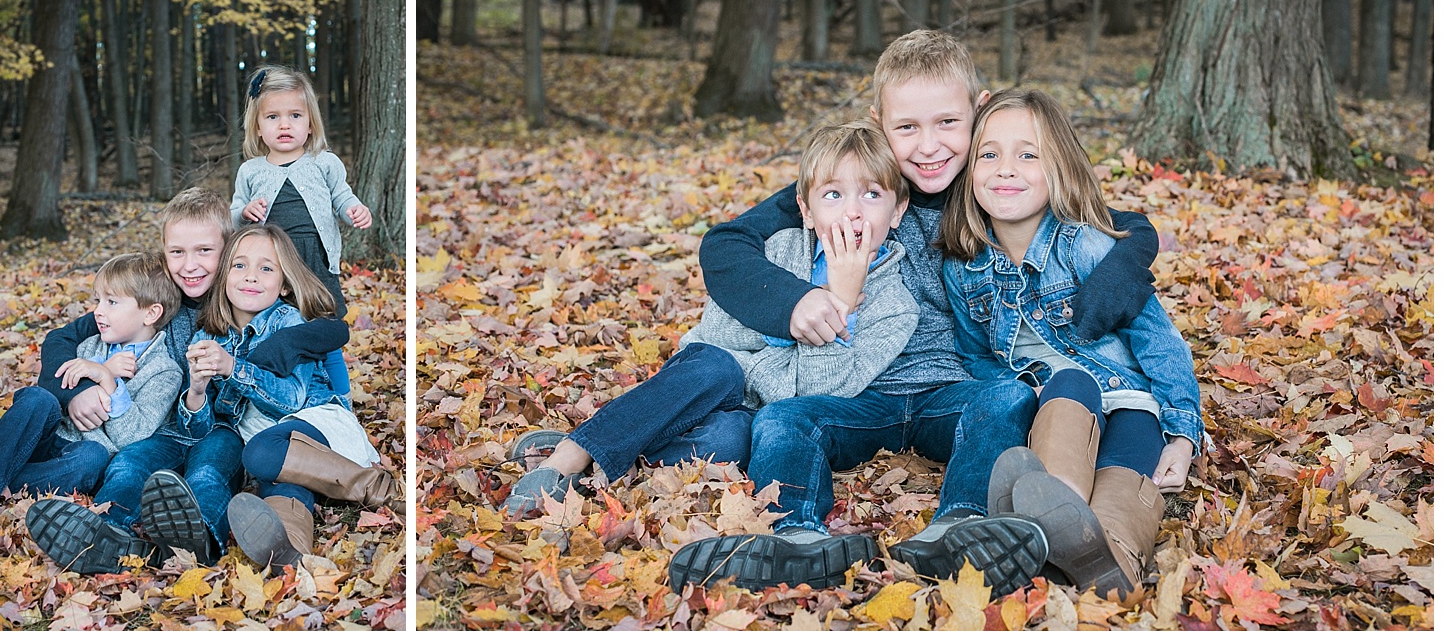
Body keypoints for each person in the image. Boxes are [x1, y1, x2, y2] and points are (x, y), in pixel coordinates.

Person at [670, 30, 1163, 594]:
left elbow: (1115, 220)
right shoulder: (863, 185)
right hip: (856, 390)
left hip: (951, 388)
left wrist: (1124, 265)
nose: (928, 147)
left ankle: (963, 524)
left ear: (978, 112)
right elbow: (726, 245)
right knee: (781, 420)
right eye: (907, 128)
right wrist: (795, 302)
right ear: (880, 123)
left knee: (1007, 397)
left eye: (948, 124)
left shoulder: (990, 184)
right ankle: (793, 536)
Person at [503, 119, 920, 519]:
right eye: (832, 195)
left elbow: (817, 394)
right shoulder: (776, 249)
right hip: (704, 381)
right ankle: (566, 459)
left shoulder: (896, 307)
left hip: (759, 412)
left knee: (732, 442)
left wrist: (838, 302)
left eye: (871, 195)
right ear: (805, 210)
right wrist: (794, 315)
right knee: (716, 368)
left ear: (897, 210)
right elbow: (718, 332)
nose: (852, 213)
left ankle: (599, 464)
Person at [936, 89, 1202, 597]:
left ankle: (1111, 561)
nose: (1005, 168)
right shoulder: (963, 269)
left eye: (1028, 154)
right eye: (988, 154)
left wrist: (1183, 434)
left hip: (1127, 402)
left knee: (1124, 481)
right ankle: (1047, 520)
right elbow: (976, 356)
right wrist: (1015, 400)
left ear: (1058, 167)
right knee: (1069, 381)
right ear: (969, 172)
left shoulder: (1083, 243)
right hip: (1055, 406)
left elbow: (1158, 340)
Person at [25, 188, 349, 574]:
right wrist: (80, 389)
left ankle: (201, 539)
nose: (190, 265)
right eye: (177, 252)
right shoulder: (156, 294)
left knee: (208, 472)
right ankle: (108, 534)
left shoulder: (245, 291)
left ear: (228, 248)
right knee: (128, 465)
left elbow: (325, 327)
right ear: (164, 252)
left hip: (225, 427)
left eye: (205, 252)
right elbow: (64, 337)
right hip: (163, 424)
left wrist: (279, 353)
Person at [173, 225, 395, 571]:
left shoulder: (291, 324)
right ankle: (289, 558)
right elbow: (209, 425)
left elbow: (291, 399)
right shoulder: (208, 335)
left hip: (315, 423)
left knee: (262, 452)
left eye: (266, 268)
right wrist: (197, 390)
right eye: (240, 266)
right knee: (277, 481)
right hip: (275, 451)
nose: (251, 277)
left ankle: (378, 488)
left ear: (285, 283)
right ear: (224, 275)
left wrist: (234, 368)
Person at [0, 253, 182, 519]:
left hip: (76, 458)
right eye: (98, 300)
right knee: (38, 398)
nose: (98, 311)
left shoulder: (164, 372)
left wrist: (108, 381)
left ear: (151, 313)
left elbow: (130, 438)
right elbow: (55, 391)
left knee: (93, 457)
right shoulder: (89, 345)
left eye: (112, 302)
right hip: (48, 437)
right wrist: (102, 369)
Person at [231, 64, 371, 398]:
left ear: (310, 125)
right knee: (281, 331)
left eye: (295, 115)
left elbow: (342, 197)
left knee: (326, 332)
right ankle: (290, 392)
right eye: (273, 117)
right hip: (274, 268)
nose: (284, 125)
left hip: (315, 263)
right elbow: (235, 211)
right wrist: (244, 213)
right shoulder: (251, 171)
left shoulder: (324, 162)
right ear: (258, 128)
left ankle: (341, 399)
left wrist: (355, 211)